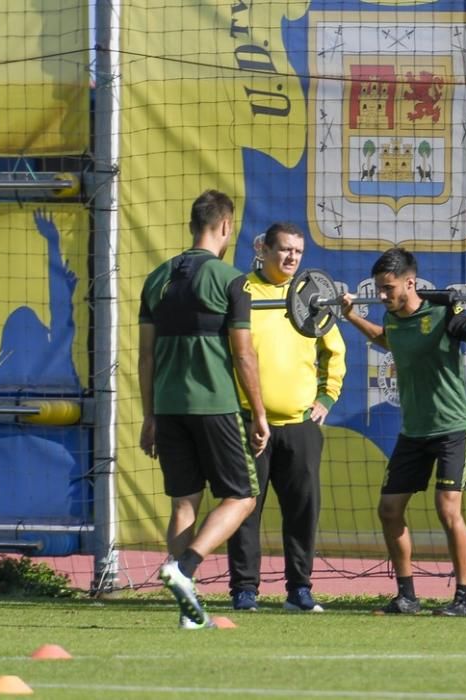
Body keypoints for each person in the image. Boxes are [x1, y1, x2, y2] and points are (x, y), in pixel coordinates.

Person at [339, 247, 466, 616]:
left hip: (452, 429)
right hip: (413, 431)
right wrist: (351, 316)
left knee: (447, 511)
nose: (382, 296)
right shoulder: (395, 321)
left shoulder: (446, 315)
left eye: (388, 288)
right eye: (379, 289)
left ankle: (464, 598)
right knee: (389, 510)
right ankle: (407, 596)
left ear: (410, 282)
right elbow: (388, 340)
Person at [138, 190, 269, 629]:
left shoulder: (156, 278)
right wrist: (260, 414)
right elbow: (244, 356)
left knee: (184, 503)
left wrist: (150, 415)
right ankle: (186, 568)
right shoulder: (232, 280)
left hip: (169, 407)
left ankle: (188, 613)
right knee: (243, 496)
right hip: (214, 405)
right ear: (226, 226)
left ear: (194, 223)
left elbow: (146, 357)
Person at [226, 222, 346, 613]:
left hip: (300, 426)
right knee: (244, 508)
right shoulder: (241, 290)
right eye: (284, 250)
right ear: (264, 249)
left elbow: (335, 352)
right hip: (248, 423)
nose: (292, 257)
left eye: (298, 251)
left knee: (302, 509)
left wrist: (326, 397)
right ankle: (245, 590)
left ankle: (300, 590)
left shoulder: (314, 295)